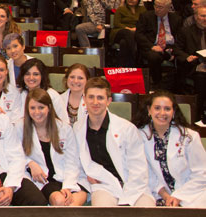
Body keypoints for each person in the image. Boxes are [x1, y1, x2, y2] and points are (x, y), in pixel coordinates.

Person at [73, 77, 153, 207]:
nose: (95, 102)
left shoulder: (126, 128)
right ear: (84, 99)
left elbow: (139, 169)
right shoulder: (78, 128)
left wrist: (127, 199)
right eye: (91, 97)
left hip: (134, 185)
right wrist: (86, 176)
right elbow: (76, 162)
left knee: (147, 213)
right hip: (104, 186)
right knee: (103, 214)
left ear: (109, 101)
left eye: (100, 98)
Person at [134, 91, 206, 207]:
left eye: (167, 109)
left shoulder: (189, 137)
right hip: (156, 193)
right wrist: (166, 196)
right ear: (149, 110)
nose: (162, 113)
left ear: (173, 112)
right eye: (157, 108)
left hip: (191, 192)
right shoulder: (138, 136)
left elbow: (201, 173)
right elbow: (145, 173)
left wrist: (179, 196)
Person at [17, 89, 87, 206]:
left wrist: (68, 187)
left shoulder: (64, 128)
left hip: (68, 177)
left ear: (49, 108)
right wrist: (30, 163)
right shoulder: (21, 127)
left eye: (41, 107)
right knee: (59, 201)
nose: (37, 112)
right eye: (32, 108)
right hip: (46, 181)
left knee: (75, 201)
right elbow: (15, 155)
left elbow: (72, 162)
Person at [135, 0, 183, 91]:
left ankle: (176, 88)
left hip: (170, 46)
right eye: (156, 6)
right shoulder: (146, 16)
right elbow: (138, 35)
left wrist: (174, 49)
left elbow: (181, 37)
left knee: (183, 59)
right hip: (152, 46)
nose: (157, 9)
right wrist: (152, 46)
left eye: (160, 7)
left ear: (168, 8)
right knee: (154, 57)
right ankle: (157, 83)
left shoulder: (176, 19)